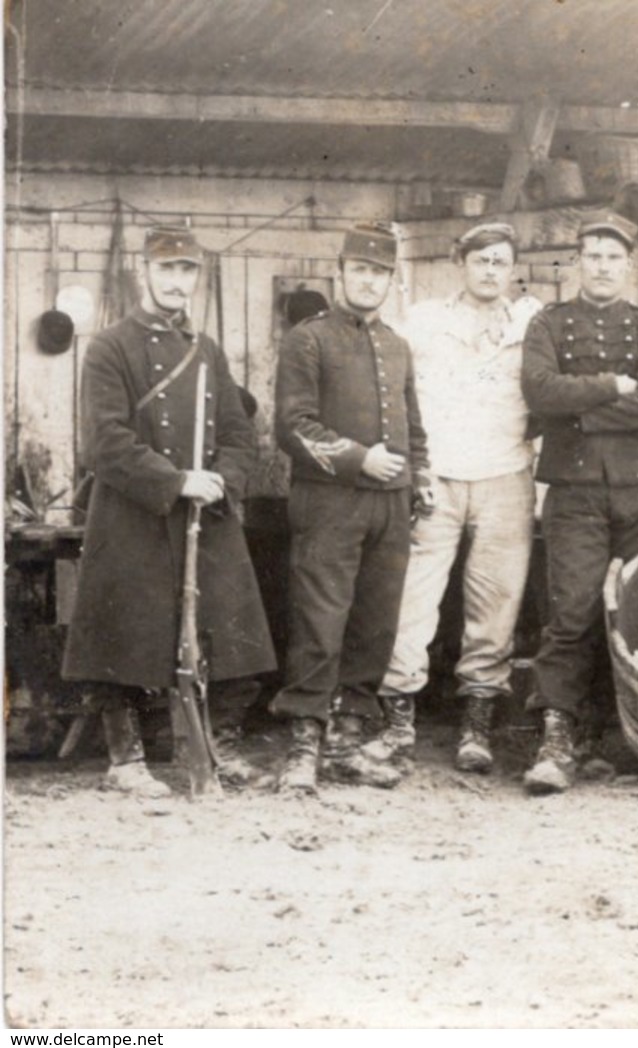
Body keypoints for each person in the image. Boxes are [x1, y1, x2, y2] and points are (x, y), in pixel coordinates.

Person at [62, 225, 277, 797]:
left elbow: (238, 432)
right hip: (135, 510)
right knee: (122, 631)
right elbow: (104, 441)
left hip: (204, 514)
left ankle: (215, 744)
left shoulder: (206, 352)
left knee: (229, 626)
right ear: (144, 273)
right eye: (168, 270)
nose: (178, 281)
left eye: (187, 271)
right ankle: (125, 757)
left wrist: (221, 481)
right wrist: (176, 479)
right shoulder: (110, 348)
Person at [366, 222, 540, 773]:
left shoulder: (531, 323)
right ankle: (397, 723)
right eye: (480, 260)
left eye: (500, 262)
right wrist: (412, 465)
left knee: (496, 606)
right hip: (436, 476)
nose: (490, 271)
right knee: (413, 600)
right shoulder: (424, 322)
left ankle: (477, 726)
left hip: (506, 475)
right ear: (459, 264)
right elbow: (391, 387)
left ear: (512, 269)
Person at [521, 210, 638, 795]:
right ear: (577, 263)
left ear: (628, 266)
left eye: (613, 257)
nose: (603, 267)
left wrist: (576, 413)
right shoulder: (549, 324)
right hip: (575, 489)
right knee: (573, 611)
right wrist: (612, 387)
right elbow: (538, 390)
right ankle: (558, 737)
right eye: (593, 256)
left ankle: (625, 739)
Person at [272, 222, 429, 792]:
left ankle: (348, 738)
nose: (369, 281)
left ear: (391, 280)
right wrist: (360, 459)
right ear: (340, 274)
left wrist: (422, 477)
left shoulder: (397, 346)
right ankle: (304, 743)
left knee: (374, 624)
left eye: (379, 272)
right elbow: (292, 427)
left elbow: (413, 429)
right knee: (321, 622)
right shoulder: (307, 339)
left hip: (391, 506)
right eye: (359, 270)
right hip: (329, 505)